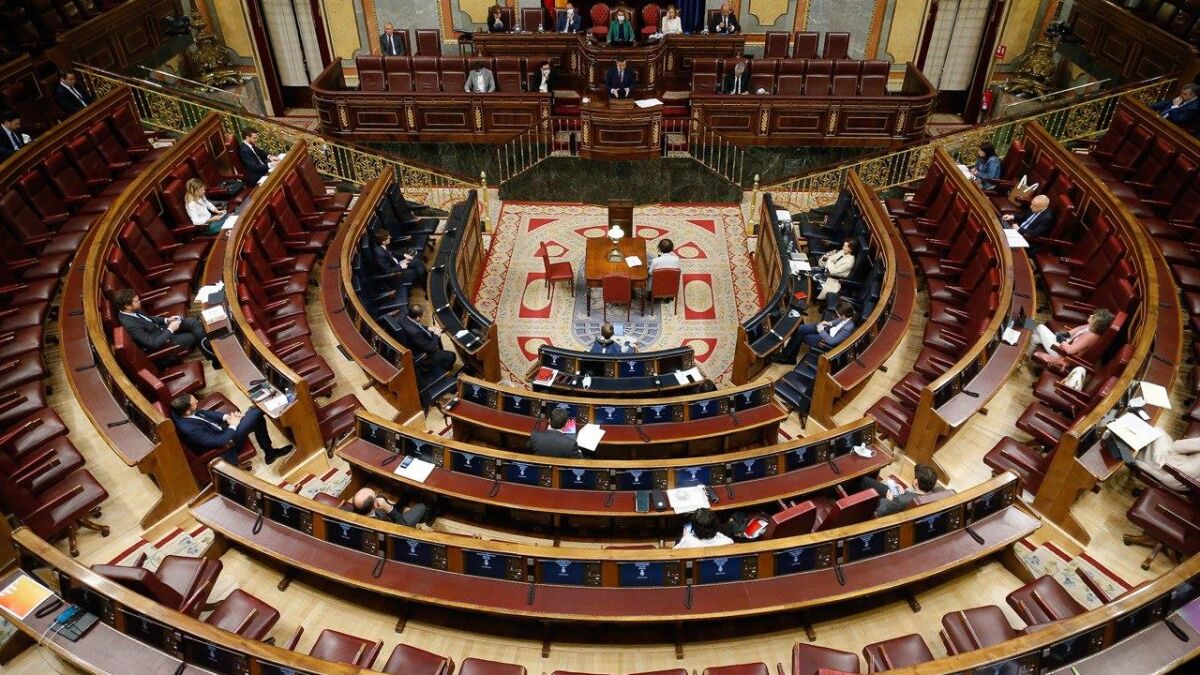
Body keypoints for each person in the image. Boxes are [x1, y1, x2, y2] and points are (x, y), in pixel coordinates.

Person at [113, 288, 222, 369]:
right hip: (163, 342)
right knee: (193, 336)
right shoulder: (130, 324)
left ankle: (212, 352)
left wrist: (167, 320)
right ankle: (215, 358)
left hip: (162, 329)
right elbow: (152, 344)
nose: (139, 302)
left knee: (193, 323)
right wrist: (170, 330)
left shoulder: (132, 310)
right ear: (127, 306)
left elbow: (149, 319)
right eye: (136, 301)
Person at [170, 394, 291, 466]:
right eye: (195, 403)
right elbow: (220, 442)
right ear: (187, 411)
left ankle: (270, 452)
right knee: (255, 412)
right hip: (226, 447)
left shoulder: (179, 412)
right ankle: (285, 401)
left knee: (257, 418)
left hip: (222, 430)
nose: (198, 402)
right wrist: (233, 424)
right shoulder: (190, 430)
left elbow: (204, 413)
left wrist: (227, 417)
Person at [1031, 308, 1115, 370]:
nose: (1091, 315)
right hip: (1064, 345)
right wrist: (1066, 334)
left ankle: (1025, 323)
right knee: (1035, 337)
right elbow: (1076, 330)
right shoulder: (1090, 326)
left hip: (1061, 353)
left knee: (1040, 327)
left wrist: (1061, 339)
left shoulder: (1091, 336)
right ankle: (1027, 352)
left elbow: (1070, 350)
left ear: (1097, 324)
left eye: (1094, 317)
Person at [775, 300, 856, 363]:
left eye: (837, 314)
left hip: (825, 340)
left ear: (843, 316)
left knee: (802, 336)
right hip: (827, 329)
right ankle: (788, 355)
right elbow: (840, 320)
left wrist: (821, 330)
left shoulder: (847, 329)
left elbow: (832, 342)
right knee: (801, 328)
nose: (836, 315)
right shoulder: (847, 317)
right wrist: (829, 323)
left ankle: (788, 356)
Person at [860, 464, 939, 518]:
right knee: (867, 482)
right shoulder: (935, 496)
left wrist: (888, 500)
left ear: (916, 482)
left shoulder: (901, 501)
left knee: (863, 481)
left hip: (889, 507)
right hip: (902, 501)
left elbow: (879, 513)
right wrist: (904, 493)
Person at [1131, 432, 1200, 492]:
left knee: (1158, 431)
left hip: (1167, 468)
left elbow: (1175, 447)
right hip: (1185, 485)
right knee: (1163, 442)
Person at [401, 304, 456, 375]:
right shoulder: (416, 333)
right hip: (423, 356)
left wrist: (428, 328)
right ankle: (445, 373)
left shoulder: (404, 316)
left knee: (433, 334)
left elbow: (417, 325)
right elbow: (430, 348)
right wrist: (436, 335)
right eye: (421, 316)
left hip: (413, 342)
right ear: (418, 318)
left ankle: (439, 352)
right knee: (451, 356)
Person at [351, 487, 429, 526]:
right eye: (375, 495)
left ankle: (407, 495)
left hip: (384, 517)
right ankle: (423, 522)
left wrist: (388, 508)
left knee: (383, 499)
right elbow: (402, 527)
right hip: (398, 525)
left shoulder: (353, 509)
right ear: (374, 506)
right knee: (422, 507)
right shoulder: (378, 525)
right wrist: (388, 507)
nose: (377, 496)